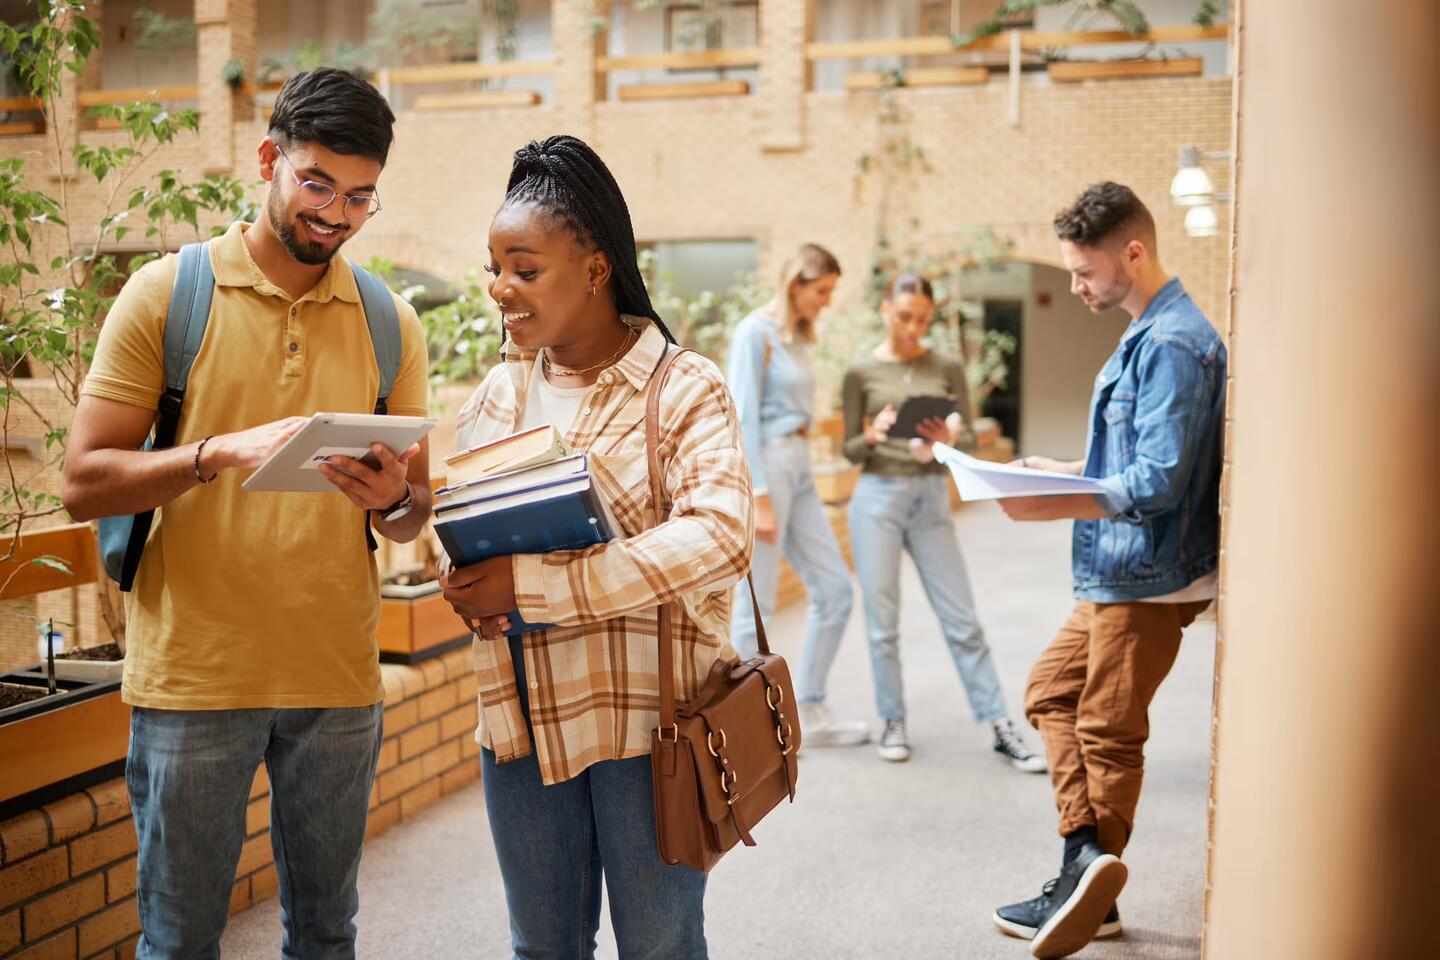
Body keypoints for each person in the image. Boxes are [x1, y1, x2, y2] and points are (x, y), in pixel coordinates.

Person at [61, 68, 431, 958]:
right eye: (315, 184)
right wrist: (212, 454)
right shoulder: (166, 295)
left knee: (326, 935)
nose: (335, 215)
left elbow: (415, 513)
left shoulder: (389, 322)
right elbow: (82, 480)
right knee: (181, 939)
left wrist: (396, 501)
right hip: (195, 678)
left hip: (338, 680)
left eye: (359, 198)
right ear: (268, 158)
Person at [438, 135, 751, 959]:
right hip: (520, 722)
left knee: (659, 945)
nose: (502, 288)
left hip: (647, 724)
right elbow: (465, 534)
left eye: (524, 267)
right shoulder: (500, 390)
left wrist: (532, 589)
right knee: (541, 948)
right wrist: (447, 562)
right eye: (493, 267)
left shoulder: (683, 387)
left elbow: (720, 535)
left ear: (594, 268)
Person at [991, 182, 1226, 960]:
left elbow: (1158, 482)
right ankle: (1085, 865)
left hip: (1150, 577)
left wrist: (1054, 505)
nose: (1076, 286)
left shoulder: (1172, 344)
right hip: (1118, 571)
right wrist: (1056, 472)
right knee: (1051, 692)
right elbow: (1128, 462)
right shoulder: (1149, 334)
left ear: (1134, 251)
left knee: (1107, 730)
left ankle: (1088, 894)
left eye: (1085, 271)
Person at [841, 274, 1046, 772]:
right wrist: (873, 434)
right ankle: (892, 719)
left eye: (923, 319)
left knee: (963, 619)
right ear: (886, 308)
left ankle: (1000, 724)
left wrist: (944, 439)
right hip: (877, 499)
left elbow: (971, 436)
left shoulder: (947, 366)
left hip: (931, 498)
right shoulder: (860, 371)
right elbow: (848, 448)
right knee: (882, 624)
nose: (914, 328)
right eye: (905, 316)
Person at [725, 243, 867, 747]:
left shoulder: (799, 337)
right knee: (754, 607)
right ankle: (749, 732)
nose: (826, 302)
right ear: (796, 283)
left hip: (801, 467)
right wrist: (758, 495)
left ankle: (809, 705)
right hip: (768, 472)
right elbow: (739, 419)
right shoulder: (754, 334)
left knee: (835, 591)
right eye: (822, 291)